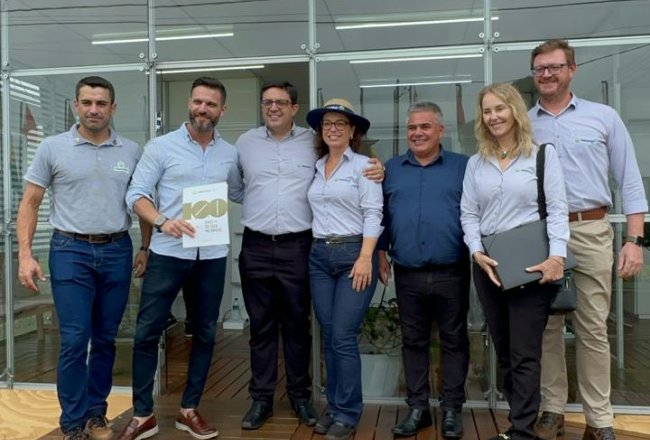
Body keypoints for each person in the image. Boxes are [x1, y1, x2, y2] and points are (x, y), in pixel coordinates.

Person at [234, 82, 383, 430]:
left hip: (302, 247)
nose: (273, 107)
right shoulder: (246, 143)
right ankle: (262, 399)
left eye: (281, 102)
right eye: (267, 102)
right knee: (262, 326)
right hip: (260, 246)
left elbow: (372, 207)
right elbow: (236, 188)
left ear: (294, 108)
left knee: (301, 326)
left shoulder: (319, 148)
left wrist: (381, 169)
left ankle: (302, 397)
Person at [17, 76, 148, 440]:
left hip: (117, 250)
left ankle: (96, 415)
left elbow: (142, 202)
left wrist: (145, 247)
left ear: (113, 108)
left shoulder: (131, 151)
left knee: (106, 338)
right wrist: (25, 255)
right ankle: (72, 423)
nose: (93, 109)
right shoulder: (52, 148)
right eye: (87, 102)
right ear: (77, 105)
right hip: (69, 251)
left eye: (101, 103)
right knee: (75, 339)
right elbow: (30, 202)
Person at [529, 39, 648, 440]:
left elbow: (629, 180)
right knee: (546, 326)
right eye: (540, 69)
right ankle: (552, 409)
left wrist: (634, 240)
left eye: (554, 67)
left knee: (593, 327)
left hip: (590, 229)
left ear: (572, 70)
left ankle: (599, 419)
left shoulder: (603, 117)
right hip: (541, 233)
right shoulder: (523, 123)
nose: (547, 74)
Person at [117, 77, 239, 440]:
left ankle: (189, 410)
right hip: (168, 253)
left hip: (211, 256)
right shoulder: (161, 147)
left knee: (204, 332)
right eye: (198, 101)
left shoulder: (229, 153)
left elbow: (241, 191)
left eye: (211, 104)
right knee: (147, 332)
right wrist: (162, 221)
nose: (203, 109)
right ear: (190, 103)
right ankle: (143, 414)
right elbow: (136, 194)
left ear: (222, 110)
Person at [460, 83, 569, 440]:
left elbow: (557, 210)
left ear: (515, 111)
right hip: (488, 266)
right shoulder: (476, 163)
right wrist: (476, 251)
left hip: (529, 266)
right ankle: (517, 422)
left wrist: (556, 257)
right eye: (487, 111)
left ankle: (521, 431)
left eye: (500, 108)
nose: (493, 116)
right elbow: (468, 213)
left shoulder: (541, 155)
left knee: (524, 352)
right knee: (504, 350)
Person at [378, 102, 470, 439]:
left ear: (440, 130)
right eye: (412, 128)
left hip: (452, 270)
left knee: (454, 341)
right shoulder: (391, 168)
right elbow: (381, 215)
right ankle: (418, 409)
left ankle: (452, 409)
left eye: (425, 127)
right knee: (413, 341)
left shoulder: (463, 167)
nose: (417, 133)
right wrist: (380, 253)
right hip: (408, 272)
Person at [305, 98, 383, 440]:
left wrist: (366, 257)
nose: (333, 129)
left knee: (343, 335)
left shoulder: (365, 167)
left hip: (354, 254)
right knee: (329, 334)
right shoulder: (317, 166)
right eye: (327, 124)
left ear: (352, 131)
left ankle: (348, 413)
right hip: (319, 256)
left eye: (340, 123)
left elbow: (374, 214)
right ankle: (335, 407)